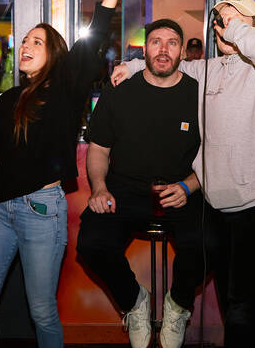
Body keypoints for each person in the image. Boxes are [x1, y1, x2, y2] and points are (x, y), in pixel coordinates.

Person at [0, 0, 151, 348]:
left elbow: (93, 40)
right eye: (24, 40)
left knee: (41, 310)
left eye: (36, 42)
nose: (25, 45)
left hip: (41, 210)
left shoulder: (65, 87)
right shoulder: (8, 98)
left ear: (55, 55)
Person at [112, 0, 255, 347]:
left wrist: (237, 31)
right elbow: (171, 65)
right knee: (234, 307)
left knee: (249, 316)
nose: (225, 24)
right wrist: (130, 64)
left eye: (235, 18)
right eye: (221, 19)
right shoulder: (208, 70)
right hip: (224, 209)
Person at [77, 18, 209, 348]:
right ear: (144, 49)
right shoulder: (119, 92)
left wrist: (190, 185)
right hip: (123, 190)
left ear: (182, 52)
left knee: (212, 244)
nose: (163, 49)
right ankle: (135, 301)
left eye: (172, 43)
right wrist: (99, 187)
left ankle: (178, 304)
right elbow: (98, 149)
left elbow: (215, 152)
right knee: (92, 244)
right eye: (156, 42)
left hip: (182, 191)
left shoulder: (201, 95)